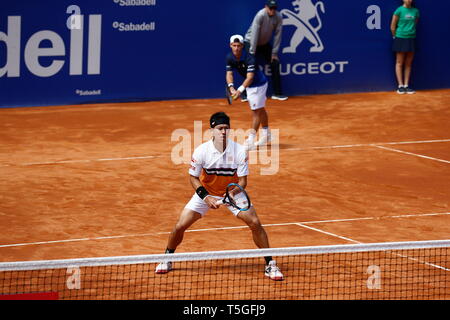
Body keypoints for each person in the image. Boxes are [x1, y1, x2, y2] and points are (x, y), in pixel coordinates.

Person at [155, 112, 283, 281]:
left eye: (226, 128)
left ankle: (270, 264)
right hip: (207, 192)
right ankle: (167, 258)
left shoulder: (239, 151)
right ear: (212, 131)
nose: (223, 132)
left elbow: (243, 181)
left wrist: (231, 194)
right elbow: (193, 177)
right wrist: (206, 197)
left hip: (232, 193)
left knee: (255, 222)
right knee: (180, 225)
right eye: (220, 128)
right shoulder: (201, 151)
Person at [226, 34, 271, 149]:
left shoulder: (249, 58)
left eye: (239, 46)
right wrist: (231, 87)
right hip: (251, 86)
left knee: (256, 111)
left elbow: (250, 77)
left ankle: (250, 141)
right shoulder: (230, 57)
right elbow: (229, 73)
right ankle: (266, 134)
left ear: (242, 46)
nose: (236, 48)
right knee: (260, 109)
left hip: (258, 85)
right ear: (230, 45)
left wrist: (239, 90)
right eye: (234, 45)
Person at [244, 0, 288, 101]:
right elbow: (255, 33)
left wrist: (274, 53)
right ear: (266, 7)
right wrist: (252, 51)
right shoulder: (260, 15)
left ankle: (277, 93)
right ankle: (246, 94)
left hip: (264, 44)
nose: (272, 10)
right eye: (270, 8)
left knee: (275, 63)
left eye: (274, 8)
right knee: (250, 65)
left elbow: (278, 35)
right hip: (250, 42)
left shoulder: (278, 17)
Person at [390, 0, 420, 94]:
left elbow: (415, 23)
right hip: (400, 38)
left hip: (411, 38)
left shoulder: (416, 11)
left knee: (408, 63)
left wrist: (409, 32)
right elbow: (392, 26)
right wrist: (396, 36)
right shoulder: (399, 10)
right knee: (399, 62)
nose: (409, 0)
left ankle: (406, 85)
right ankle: (400, 86)